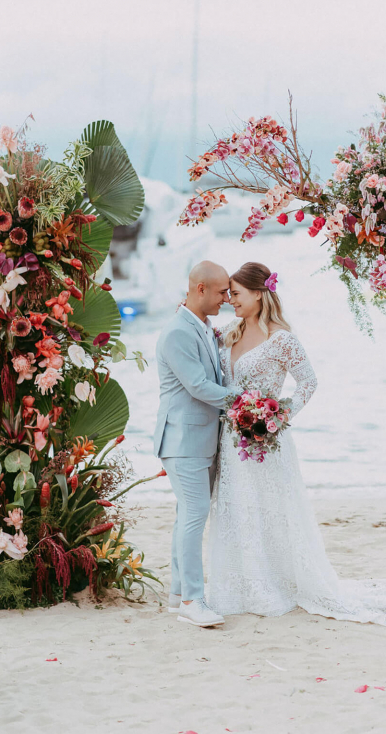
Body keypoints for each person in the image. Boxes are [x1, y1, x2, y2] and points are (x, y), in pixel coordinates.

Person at [206, 261, 386, 625]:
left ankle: (278, 582)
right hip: (233, 444)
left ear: (257, 293)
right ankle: (243, 585)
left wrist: (278, 418)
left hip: (267, 444)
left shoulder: (281, 338)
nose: (231, 301)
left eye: (236, 294)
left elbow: (308, 383)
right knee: (239, 511)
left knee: (271, 511)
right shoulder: (228, 333)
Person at [154, 260, 239, 627]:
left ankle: (177, 593)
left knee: (185, 516)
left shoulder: (204, 327)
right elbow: (199, 387)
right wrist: (246, 402)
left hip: (202, 439)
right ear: (200, 288)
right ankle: (192, 599)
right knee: (194, 517)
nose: (227, 298)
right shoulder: (177, 333)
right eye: (222, 291)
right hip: (183, 440)